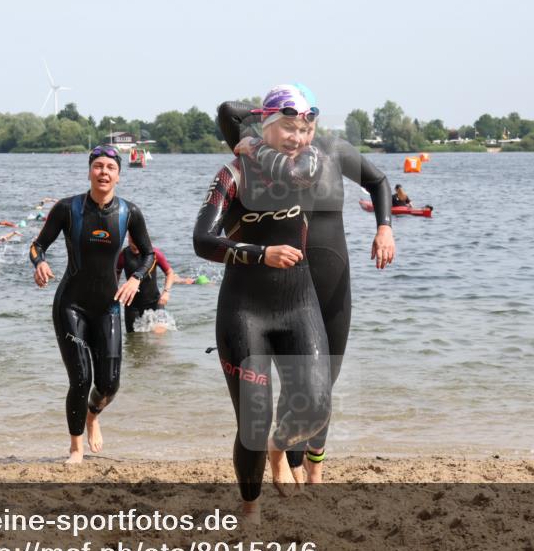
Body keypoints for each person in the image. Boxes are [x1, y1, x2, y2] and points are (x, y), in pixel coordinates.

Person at [217, 85, 395, 484]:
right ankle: (287, 460)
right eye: (291, 121)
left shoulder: (333, 151)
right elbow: (227, 110)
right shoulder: (264, 149)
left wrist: (384, 228)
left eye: (307, 121)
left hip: (331, 275)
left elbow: (379, 182)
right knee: (291, 378)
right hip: (283, 283)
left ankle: (312, 464)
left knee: (324, 379)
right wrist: (266, 116)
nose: (300, 129)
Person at [196, 85, 341, 518]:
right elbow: (203, 240)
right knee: (253, 423)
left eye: (305, 128)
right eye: (288, 128)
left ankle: (281, 450)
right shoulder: (233, 173)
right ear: (267, 126)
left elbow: (294, 163)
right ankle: (250, 507)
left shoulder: (310, 166)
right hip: (244, 309)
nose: (297, 137)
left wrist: (256, 139)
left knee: (316, 407)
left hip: (298, 302)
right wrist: (262, 254)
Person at [30, 145, 155, 464]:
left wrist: (136, 278)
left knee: (109, 384)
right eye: (98, 166)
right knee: (81, 379)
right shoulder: (67, 209)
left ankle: (93, 416)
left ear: (118, 175)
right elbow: (37, 245)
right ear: (89, 171)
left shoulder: (130, 213)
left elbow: (149, 255)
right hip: (71, 305)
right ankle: (75, 448)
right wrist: (40, 263)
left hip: (109, 306)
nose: (103, 172)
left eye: (110, 168)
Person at [117, 235, 178, 334]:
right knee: (133, 340)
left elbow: (170, 273)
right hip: (132, 305)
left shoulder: (155, 254)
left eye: (138, 243)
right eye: (132, 243)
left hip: (155, 302)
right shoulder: (123, 255)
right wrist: (115, 288)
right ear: (128, 239)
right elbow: (116, 271)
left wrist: (166, 292)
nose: (135, 247)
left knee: (159, 337)